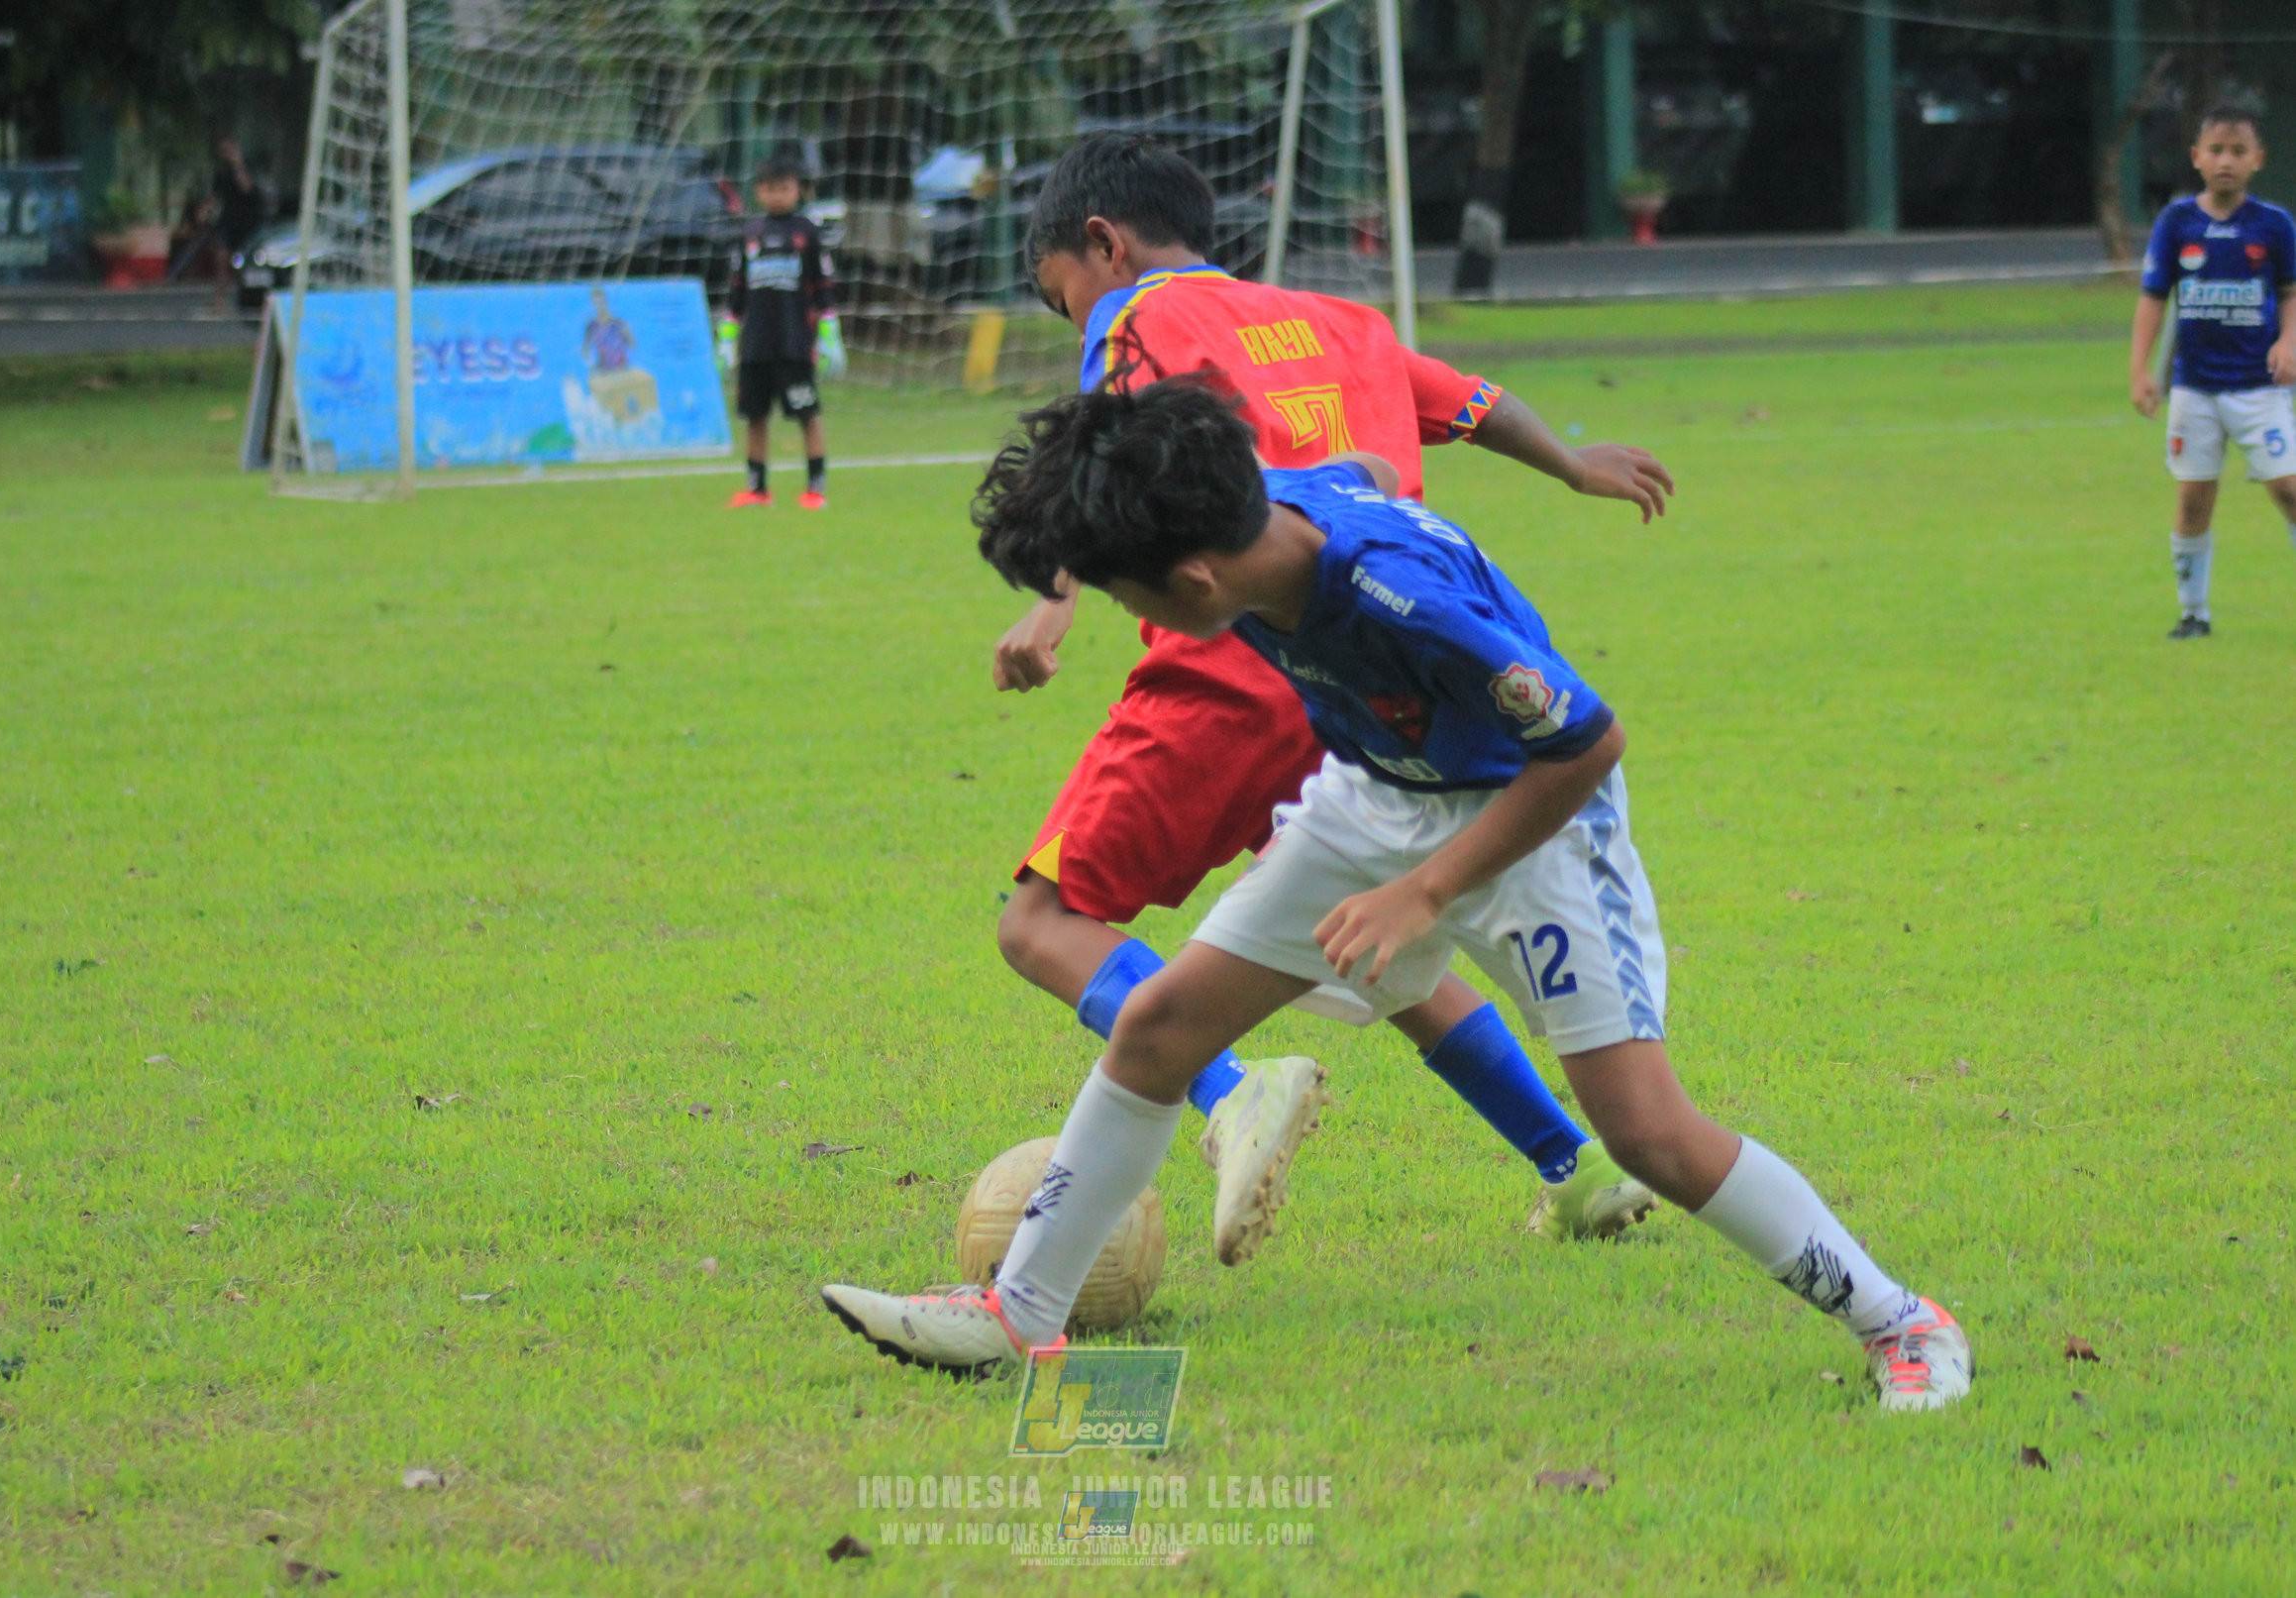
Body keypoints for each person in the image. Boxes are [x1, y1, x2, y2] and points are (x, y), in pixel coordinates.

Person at [821, 377, 1975, 1414]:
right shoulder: (1270, 500)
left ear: (1195, 578)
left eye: (1136, 600)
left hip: (1532, 824)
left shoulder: (1398, 600)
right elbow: (1366, 472)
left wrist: (1423, 895)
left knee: (1647, 1131)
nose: (1138, 623)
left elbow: (1585, 745)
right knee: (1158, 1026)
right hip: (1371, 798)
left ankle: (1904, 1321)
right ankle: (1020, 1311)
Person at [991, 134, 1678, 1262]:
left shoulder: (1134, 321)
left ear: (1102, 245)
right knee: (1364, 933)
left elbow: (1105, 463)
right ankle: (1577, 1164)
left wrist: (1054, 600)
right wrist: (1567, 462)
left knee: (1041, 921)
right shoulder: (1333, 316)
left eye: (1062, 297)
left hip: (1235, 650)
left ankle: (1227, 1087)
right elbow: (1465, 400)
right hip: (1367, 682)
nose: (1076, 322)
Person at [2130, 105, 2296, 639]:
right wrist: (2140, 371)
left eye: (2238, 151)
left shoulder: (2274, 225)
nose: (2226, 160)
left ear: (2257, 161)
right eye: (2216, 150)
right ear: (2197, 158)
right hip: (2194, 390)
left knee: (2289, 489)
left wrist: (2290, 340)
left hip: (2259, 388)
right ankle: (2194, 613)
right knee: (2194, 499)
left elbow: (2291, 293)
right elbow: (2153, 298)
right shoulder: (2177, 223)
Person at [721, 148, 839, 510]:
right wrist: (726, 340)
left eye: (785, 188)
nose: (777, 195)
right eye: (770, 188)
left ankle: (815, 488)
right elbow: (737, 291)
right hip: (756, 345)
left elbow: (823, 289)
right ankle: (757, 489)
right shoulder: (751, 233)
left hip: (794, 345)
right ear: (759, 191)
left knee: (807, 415)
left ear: (798, 190)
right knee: (754, 416)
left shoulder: (808, 234)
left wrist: (830, 335)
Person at [208, 136, 265, 311]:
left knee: (247, 261)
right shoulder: (221, 172)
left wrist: (238, 164)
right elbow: (215, 194)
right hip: (228, 220)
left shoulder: (246, 167)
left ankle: (249, 296)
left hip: (247, 220)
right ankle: (220, 299)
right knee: (221, 258)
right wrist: (205, 209)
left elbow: (246, 187)